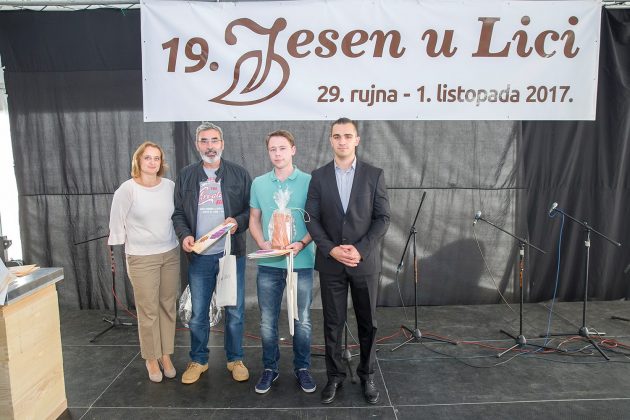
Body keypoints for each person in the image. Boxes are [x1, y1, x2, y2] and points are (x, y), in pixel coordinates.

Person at [305, 117, 391, 404]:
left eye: (347, 136)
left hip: (363, 263)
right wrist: (331, 249)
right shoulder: (318, 176)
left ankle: (367, 375)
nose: (342, 141)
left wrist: (360, 249)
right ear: (331, 140)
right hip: (331, 264)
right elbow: (311, 218)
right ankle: (334, 376)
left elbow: (383, 218)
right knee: (332, 323)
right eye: (337, 136)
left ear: (357, 140)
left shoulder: (374, 175)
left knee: (368, 323)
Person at [172, 122, 252, 385]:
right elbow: (178, 213)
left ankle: (235, 359)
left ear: (222, 143)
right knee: (198, 313)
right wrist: (185, 235)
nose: (210, 146)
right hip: (200, 257)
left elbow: (250, 211)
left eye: (214, 140)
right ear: (197, 145)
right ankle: (198, 360)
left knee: (235, 311)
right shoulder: (186, 175)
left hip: (231, 255)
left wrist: (238, 221)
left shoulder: (239, 174)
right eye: (204, 141)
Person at [249, 130, 316, 394]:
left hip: (301, 260)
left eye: (282, 148)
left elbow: (318, 220)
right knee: (267, 320)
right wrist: (262, 243)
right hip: (270, 262)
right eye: (273, 149)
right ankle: (270, 368)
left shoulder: (309, 181)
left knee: (302, 319)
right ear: (268, 152)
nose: (277, 154)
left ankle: (302, 368)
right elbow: (254, 219)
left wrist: (302, 243)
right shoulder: (259, 183)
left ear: (293, 150)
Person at [108, 141, 180, 383]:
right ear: (138, 160)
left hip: (170, 254)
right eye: (147, 157)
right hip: (141, 257)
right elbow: (116, 221)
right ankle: (151, 357)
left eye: (156, 158)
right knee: (148, 311)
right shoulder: (127, 190)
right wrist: (118, 244)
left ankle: (165, 355)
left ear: (161, 162)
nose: (152, 162)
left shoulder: (169, 186)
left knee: (167, 306)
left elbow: (178, 216)